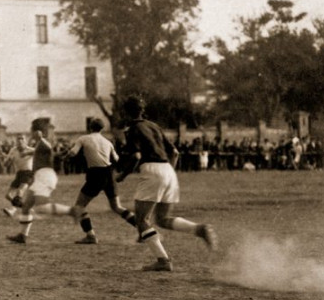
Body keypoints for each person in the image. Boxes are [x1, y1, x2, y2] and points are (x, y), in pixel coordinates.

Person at [116, 95, 217, 271]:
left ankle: (163, 261)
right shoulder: (154, 126)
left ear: (125, 111)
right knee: (162, 219)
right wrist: (167, 172)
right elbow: (175, 152)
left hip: (152, 171)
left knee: (141, 220)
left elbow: (136, 156)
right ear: (143, 110)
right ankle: (200, 229)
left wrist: (123, 175)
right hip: (169, 170)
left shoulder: (132, 129)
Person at [65, 117, 137, 244]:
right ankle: (143, 229)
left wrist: (65, 155)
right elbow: (116, 158)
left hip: (95, 174)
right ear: (102, 128)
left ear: (90, 127)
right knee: (117, 206)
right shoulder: (107, 142)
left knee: (79, 206)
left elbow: (73, 153)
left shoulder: (83, 138)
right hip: (109, 174)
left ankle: (90, 235)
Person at [6, 119, 78, 244]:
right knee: (27, 206)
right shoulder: (40, 144)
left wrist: (60, 155)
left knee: (40, 207)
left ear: (38, 132)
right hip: (41, 176)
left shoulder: (43, 143)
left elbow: (50, 153)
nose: (30, 133)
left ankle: (72, 211)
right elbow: (39, 152)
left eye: (31, 130)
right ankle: (22, 235)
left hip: (45, 176)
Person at [2, 134, 34, 217]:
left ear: (25, 141)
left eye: (22, 139)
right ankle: (26, 207)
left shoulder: (30, 149)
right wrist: (8, 161)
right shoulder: (13, 150)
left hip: (28, 173)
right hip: (19, 174)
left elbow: (41, 152)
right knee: (8, 195)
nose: (20, 141)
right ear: (16, 141)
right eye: (18, 139)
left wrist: (28, 153)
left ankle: (12, 210)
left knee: (20, 191)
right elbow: (5, 164)